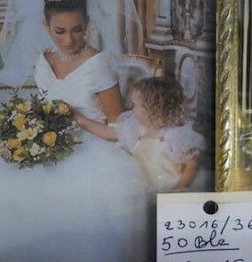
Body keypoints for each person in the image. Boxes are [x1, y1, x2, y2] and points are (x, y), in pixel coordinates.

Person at [0, 0, 151, 262]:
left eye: (77, 30)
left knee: (79, 199)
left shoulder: (99, 63)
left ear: (88, 25)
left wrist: (80, 120)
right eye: (59, 31)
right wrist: (29, 127)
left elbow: (119, 126)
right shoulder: (43, 60)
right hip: (46, 138)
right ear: (45, 26)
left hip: (92, 143)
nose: (69, 40)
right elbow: (44, 102)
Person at [75, 76, 209, 193]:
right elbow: (106, 132)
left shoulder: (173, 135)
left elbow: (191, 165)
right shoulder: (137, 128)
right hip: (145, 189)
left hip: (170, 187)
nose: (132, 110)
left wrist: (177, 189)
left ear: (154, 109)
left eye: (136, 106)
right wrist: (80, 119)